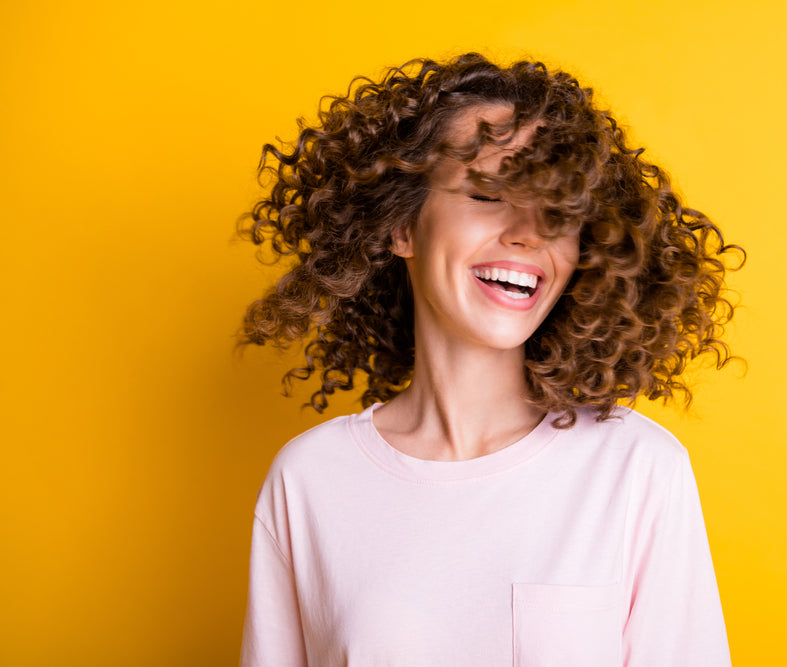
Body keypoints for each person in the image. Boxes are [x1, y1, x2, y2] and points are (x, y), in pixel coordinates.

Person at [237, 52, 742, 666]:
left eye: (557, 211)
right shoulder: (310, 480)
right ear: (401, 228)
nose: (527, 233)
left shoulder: (635, 470)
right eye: (487, 193)